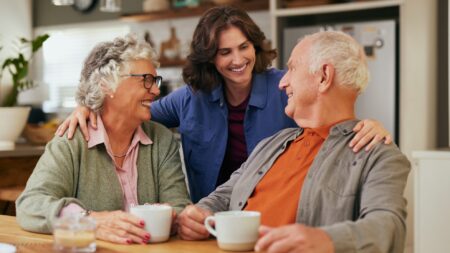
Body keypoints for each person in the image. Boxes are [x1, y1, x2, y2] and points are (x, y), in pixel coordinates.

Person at [56, 6, 392, 203]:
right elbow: (130, 112)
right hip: (214, 219)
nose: (238, 60)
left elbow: (332, 118)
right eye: (224, 52)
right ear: (210, 59)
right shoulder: (191, 97)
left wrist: (367, 125)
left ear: (255, 47)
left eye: (243, 47)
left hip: (277, 216)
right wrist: (89, 108)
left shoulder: (284, 86)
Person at [177, 31, 410, 253]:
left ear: (323, 76)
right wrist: (199, 213)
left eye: (291, 68)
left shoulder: (377, 154)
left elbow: (388, 226)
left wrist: (326, 240)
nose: (282, 82)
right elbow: (225, 196)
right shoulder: (271, 144)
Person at [16, 34, 191, 245]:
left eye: (155, 81)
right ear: (106, 85)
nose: (155, 90)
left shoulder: (162, 139)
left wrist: (178, 219)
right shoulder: (72, 140)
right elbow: (30, 204)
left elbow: (179, 206)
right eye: (146, 80)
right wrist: (90, 221)